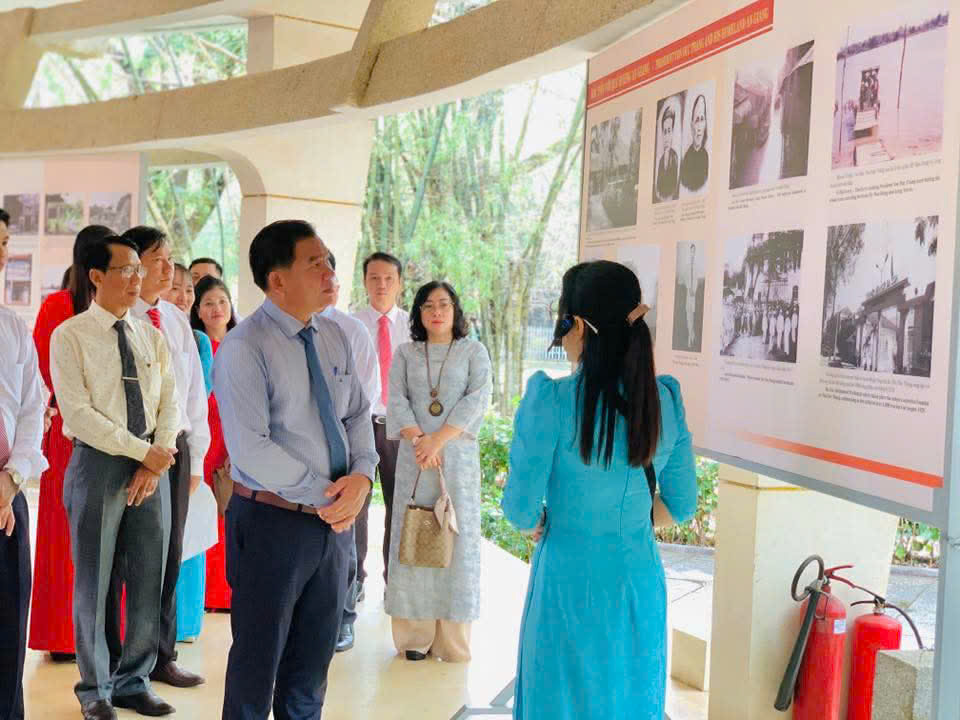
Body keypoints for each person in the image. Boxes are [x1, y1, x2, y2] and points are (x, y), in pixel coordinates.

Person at [503, 260, 697, 720]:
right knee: (630, 702)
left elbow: (519, 509)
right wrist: (624, 517)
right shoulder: (664, 400)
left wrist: (539, 524)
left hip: (567, 583)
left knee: (561, 703)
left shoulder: (551, 401)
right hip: (638, 583)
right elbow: (682, 503)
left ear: (577, 326)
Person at [213, 219, 376, 719]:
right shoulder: (245, 346)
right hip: (272, 523)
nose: (330, 273)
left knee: (311, 671)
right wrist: (330, 496)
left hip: (333, 527)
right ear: (277, 280)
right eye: (315, 263)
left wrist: (363, 477)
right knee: (257, 669)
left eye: (329, 261)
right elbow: (251, 448)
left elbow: (356, 414)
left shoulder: (334, 335)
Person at [51, 235, 181, 720]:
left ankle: (133, 682)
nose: (136, 278)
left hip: (151, 465)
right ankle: (95, 689)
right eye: (126, 269)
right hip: (99, 464)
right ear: (96, 276)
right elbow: (78, 414)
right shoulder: (70, 336)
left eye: (138, 270)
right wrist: (145, 452)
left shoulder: (151, 335)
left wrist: (155, 457)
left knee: (148, 575)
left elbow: (169, 400)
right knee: (95, 581)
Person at [385, 281, 492, 662]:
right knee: (412, 540)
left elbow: (478, 398)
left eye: (444, 304)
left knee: (454, 540)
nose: (436, 312)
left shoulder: (473, 351)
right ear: (418, 312)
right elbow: (396, 398)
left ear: (455, 310)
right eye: (428, 305)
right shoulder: (405, 353)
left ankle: (451, 642)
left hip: (456, 459)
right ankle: (414, 638)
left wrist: (438, 441)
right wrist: (420, 441)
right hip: (415, 459)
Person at [122, 226, 210, 688]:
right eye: (158, 260)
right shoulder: (119, 318)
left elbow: (194, 392)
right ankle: (124, 662)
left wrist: (196, 457)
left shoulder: (175, 320)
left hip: (177, 450)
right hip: (133, 452)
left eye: (170, 259)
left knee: (170, 555)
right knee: (132, 559)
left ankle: (162, 655)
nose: (168, 269)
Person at [29, 224, 116, 660]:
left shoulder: (115, 310)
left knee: (100, 535)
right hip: (72, 433)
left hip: (109, 433)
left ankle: (95, 634)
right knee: (68, 534)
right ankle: (66, 636)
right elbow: (45, 371)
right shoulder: (58, 307)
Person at [319, 253, 380, 654]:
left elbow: (366, 395)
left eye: (329, 275)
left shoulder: (349, 329)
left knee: (346, 537)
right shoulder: (271, 333)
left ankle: (343, 618)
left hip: (343, 445)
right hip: (302, 454)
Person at [0, 208, 48, 720]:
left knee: (9, 625)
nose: (1, 254)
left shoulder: (12, 327)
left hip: (7, 496)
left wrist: (12, 478)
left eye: (4, 242)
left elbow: (34, 407)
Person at [353, 252, 409, 585]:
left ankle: (395, 580)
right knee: (356, 504)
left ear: (399, 283)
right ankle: (354, 579)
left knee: (399, 504)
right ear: (365, 281)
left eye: (389, 278)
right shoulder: (351, 325)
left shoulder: (413, 327)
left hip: (400, 427)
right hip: (360, 425)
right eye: (374, 277)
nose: (381, 285)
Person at [190, 275, 238, 612]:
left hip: (232, 439)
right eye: (208, 303)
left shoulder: (242, 344)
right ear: (198, 310)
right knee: (204, 513)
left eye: (222, 301)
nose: (216, 308)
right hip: (202, 439)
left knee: (228, 510)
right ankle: (205, 595)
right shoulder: (194, 346)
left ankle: (227, 592)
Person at [680, 93, 709, 193]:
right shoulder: (686, 158)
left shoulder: (706, 156)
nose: (699, 127)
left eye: (702, 119)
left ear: (705, 123)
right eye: (697, 120)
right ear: (692, 125)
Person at [655, 105, 679, 202]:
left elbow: (674, 189)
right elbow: (658, 188)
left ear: (672, 132)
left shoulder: (675, 158)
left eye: (669, 131)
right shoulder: (661, 161)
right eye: (664, 132)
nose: (666, 136)